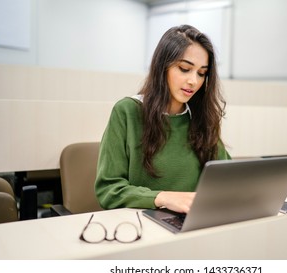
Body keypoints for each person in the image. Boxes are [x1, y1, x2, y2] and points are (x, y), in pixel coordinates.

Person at [95, 25, 231, 214]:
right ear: (162, 67)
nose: (193, 81)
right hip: (143, 222)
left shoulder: (202, 117)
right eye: (185, 69)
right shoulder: (127, 111)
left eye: (201, 73)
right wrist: (162, 197)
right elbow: (108, 190)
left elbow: (227, 176)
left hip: (193, 223)